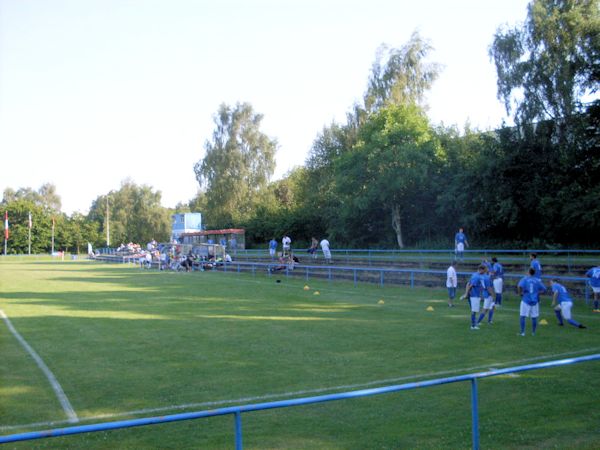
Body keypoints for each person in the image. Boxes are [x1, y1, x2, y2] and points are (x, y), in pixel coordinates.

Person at [517, 268, 547, 336]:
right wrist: (537, 293)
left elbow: (519, 286)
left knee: (522, 316)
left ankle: (522, 332)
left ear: (528, 272)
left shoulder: (524, 279)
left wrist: (520, 293)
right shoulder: (537, 280)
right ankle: (533, 333)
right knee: (534, 317)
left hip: (525, 300)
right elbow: (544, 289)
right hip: (534, 301)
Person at [463, 265, 494, 330]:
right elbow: (469, 285)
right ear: (481, 270)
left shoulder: (476, 275)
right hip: (474, 295)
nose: (486, 271)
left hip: (476, 295)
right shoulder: (476, 277)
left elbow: (468, 284)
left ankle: (474, 324)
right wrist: (466, 294)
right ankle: (473, 326)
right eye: (485, 269)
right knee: (474, 311)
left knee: (475, 310)